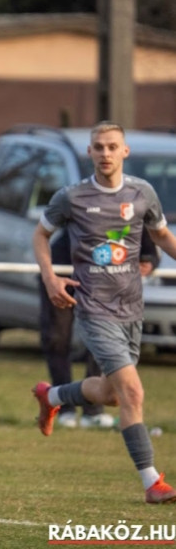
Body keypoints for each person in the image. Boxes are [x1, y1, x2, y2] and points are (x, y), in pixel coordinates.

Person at [32, 121, 176, 504]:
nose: (106, 153)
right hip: (94, 309)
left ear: (124, 151)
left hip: (132, 308)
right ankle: (152, 482)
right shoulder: (72, 197)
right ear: (90, 153)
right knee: (133, 391)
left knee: (112, 396)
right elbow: (40, 234)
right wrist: (50, 278)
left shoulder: (142, 193)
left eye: (113, 146)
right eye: (99, 147)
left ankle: (55, 396)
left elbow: (160, 234)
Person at [41, 229, 159, 430]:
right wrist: (48, 275)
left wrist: (149, 260)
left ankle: (90, 410)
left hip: (105, 286)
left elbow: (154, 243)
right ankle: (62, 406)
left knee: (102, 350)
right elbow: (42, 232)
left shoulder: (135, 205)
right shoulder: (76, 199)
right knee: (57, 339)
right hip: (64, 273)